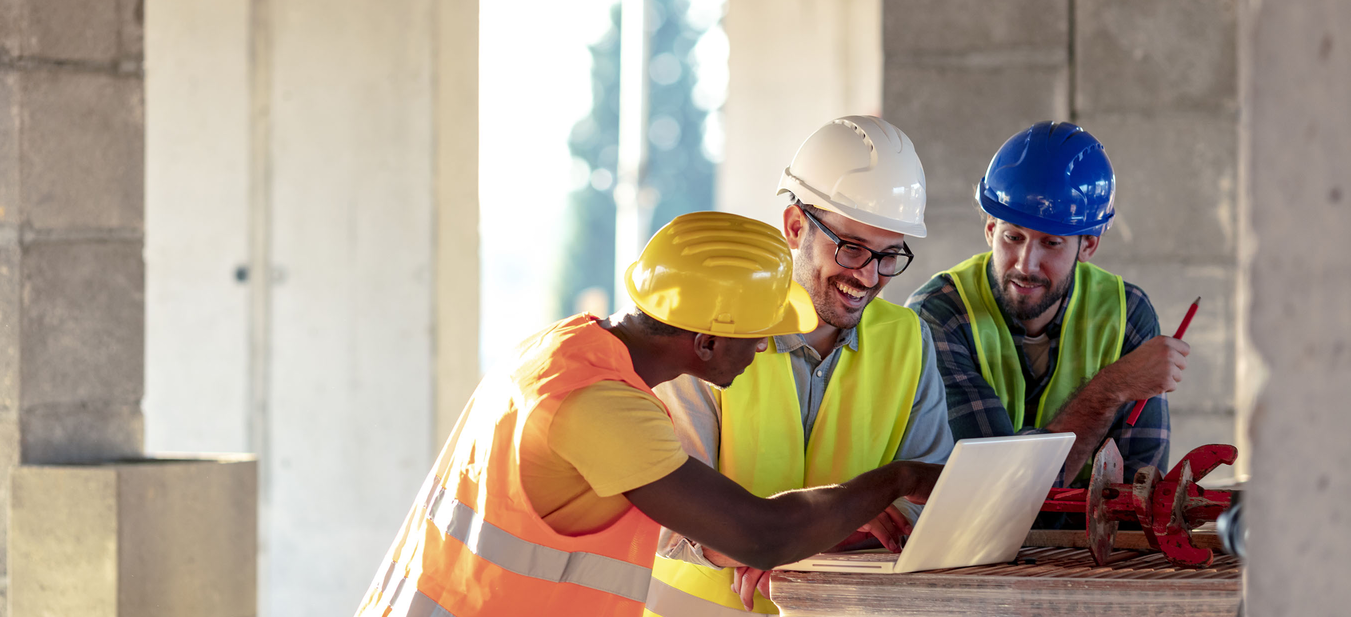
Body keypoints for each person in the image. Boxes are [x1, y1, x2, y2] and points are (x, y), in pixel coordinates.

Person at [354, 211, 943, 617]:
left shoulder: (566, 351)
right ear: (708, 342)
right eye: (759, 336)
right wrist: (900, 478)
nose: (766, 349)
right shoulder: (600, 408)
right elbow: (761, 534)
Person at [648, 116, 955, 616]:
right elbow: (670, 520)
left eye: (889, 254)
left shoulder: (907, 339)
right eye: (851, 247)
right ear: (795, 227)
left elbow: (924, 502)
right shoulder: (709, 331)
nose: (868, 275)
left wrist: (811, 543)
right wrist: (800, 534)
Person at [907, 121, 1179, 499]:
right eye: (1012, 237)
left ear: (1088, 246)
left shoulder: (1127, 314)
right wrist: (1111, 388)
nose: (1025, 264)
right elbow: (996, 492)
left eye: (1051, 243)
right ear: (989, 229)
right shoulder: (939, 314)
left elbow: (1140, 497)